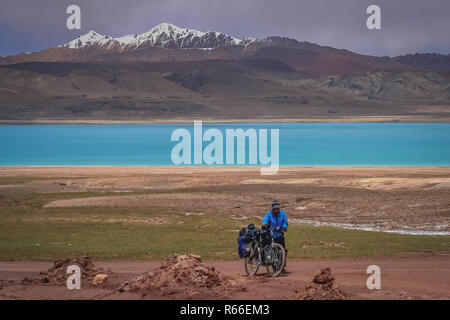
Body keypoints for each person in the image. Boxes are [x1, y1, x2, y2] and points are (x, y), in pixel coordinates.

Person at [262, 200, 288, 273]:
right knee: (273, 252)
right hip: (272, 236)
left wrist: (284, 227)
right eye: (274, 209)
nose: (276, 210)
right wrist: (264, 225)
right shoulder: (269, 214)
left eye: (277, 209)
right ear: (272, 209)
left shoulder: (282, 214)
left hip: (280, 235)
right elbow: (265, 221)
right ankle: (275, 268)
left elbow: (285, 222)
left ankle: (282, 266)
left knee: (283, 251)